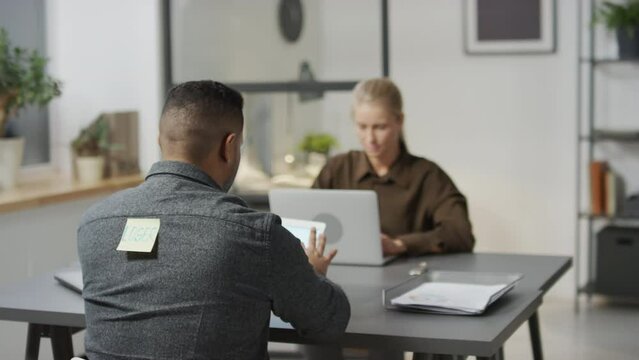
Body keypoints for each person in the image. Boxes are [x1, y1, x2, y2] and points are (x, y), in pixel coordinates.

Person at [78, 80, 350, 360]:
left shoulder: (93, 224)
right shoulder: (256, 236)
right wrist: (314, 272)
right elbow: (328, 322)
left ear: (160, 141)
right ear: (229, 147)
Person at [313, 77, 475, 257]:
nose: (370, 138)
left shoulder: (427, 175)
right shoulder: (338, 168)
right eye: (362, 126)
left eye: (380, 127)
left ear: (399, 121)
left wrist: (400, 244)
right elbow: (304, 222)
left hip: (405, 277)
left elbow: (461, 234)